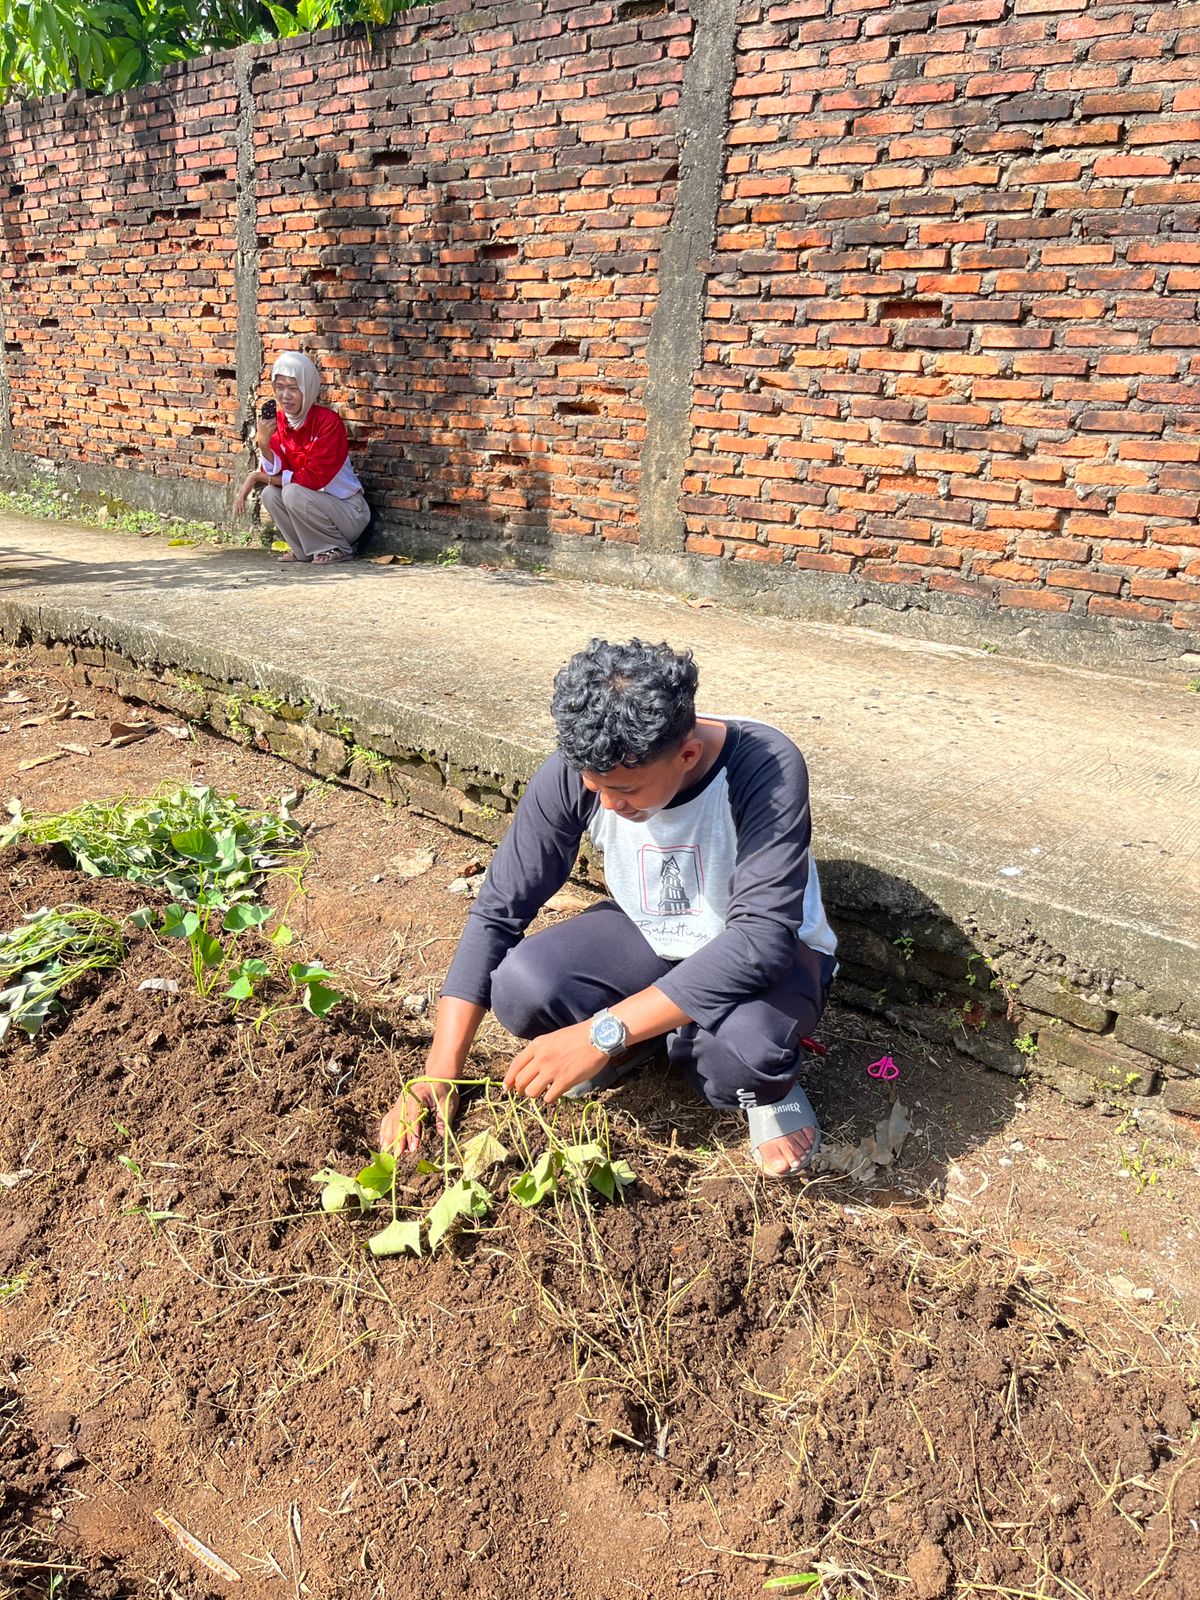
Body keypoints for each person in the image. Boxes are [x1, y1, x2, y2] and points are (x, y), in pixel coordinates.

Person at [380, 638, 839, 1178]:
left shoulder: (764, 766)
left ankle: (759, 1088)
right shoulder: (590, 762)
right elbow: (500, 907)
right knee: (523, 987)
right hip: (652, 934)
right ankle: (646, 1037)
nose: (607, 804)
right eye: (591, 786)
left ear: (687, 756)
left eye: (625, 791)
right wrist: (439, 1072)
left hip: (763, 955)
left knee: (743, 1059)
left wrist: (600, 1032)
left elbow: (760, 941)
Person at [234, 352, 369, 565]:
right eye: (280, 387)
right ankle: (303, 549)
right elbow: (277, 475)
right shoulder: (277, 423)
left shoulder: (328, 422)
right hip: (311, 508)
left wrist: (256, 477)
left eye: (293, 388)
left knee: (293, 492)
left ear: (308, 388)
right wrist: (263, 444)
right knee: (270, 494)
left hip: (348, 513)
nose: (285, 395)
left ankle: (337, 547)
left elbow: (313, 479)